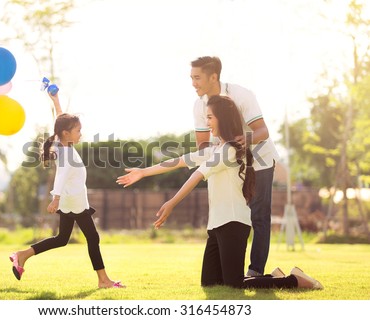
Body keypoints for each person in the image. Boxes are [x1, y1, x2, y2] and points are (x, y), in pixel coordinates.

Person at [117, 95, 322, 289]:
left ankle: (294, 281)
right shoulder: (215, 149)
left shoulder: (229, 150)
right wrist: (143, 172)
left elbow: (197, 175)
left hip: (233, 223)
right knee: (210, 283)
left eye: (209, 117)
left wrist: (171, 203)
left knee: (234, 284)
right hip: (216, 225)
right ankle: (273, 277)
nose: (207, 123)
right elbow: (179, 161)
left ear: (222, 119)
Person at [9, 92, 125, 289]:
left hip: (71, 200)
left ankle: (22, 255)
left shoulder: (61, 143)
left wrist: (55, 101)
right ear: (66, 133)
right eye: (78, 130)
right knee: (92, 237)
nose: (81, 133)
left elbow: (60, 121)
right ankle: (103, 280)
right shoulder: (66, 153)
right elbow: (61, 176)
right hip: (74, 202)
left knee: (62, 239)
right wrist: (55, 199)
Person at [191, 56, 280, 277]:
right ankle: (230, 269)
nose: (193, 83)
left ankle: (255, 270)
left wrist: (245, 140)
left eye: (197, 77)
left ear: (213, 77)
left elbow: (262, 131)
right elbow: (202, 145)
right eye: (191, 78)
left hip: (259, 160)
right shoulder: (199, 106)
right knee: (235, 214)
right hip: (231, 164)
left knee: (258, 215)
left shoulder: (241, 95)